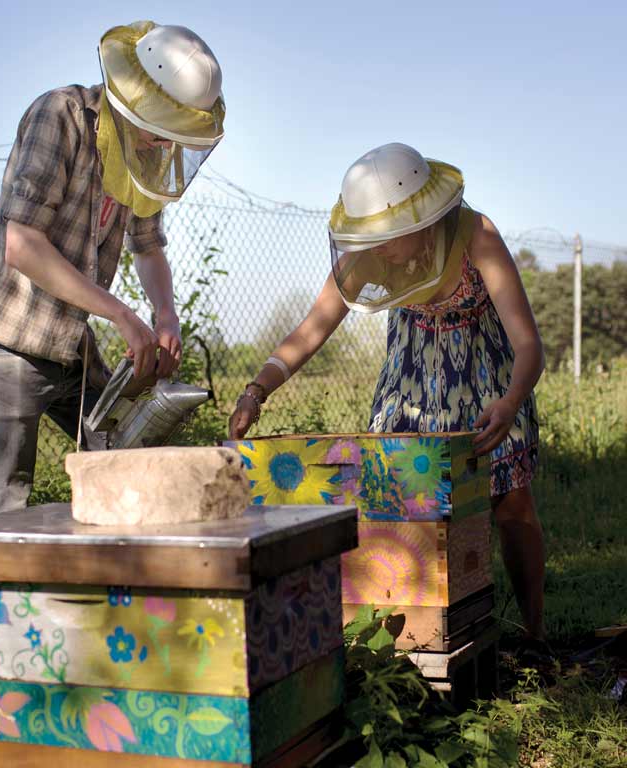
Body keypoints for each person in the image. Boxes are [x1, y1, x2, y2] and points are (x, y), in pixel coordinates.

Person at [229, 143, 546, 642]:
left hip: (488, 389)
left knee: (511, 506)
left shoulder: (476, 235)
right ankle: (410, 636)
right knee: (396, 507)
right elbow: (311, 330)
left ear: (421, 220)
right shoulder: (367, 257)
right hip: (410, 391)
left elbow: (529, 344)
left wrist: (508, 402)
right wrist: (257, 389)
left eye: (386, 237)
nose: (376, 248)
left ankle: (534, 632)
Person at [0, 21, 226, 515]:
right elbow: (22, 244)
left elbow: (148, 247)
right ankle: (4, 592)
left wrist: (165, 314)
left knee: (128, 458)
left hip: (69, 346)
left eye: (176, 134)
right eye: (160, 128)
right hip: (4, 339)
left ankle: (118, 587)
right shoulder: (59, 115)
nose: (165, 145)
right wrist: (122, 315)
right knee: (6, 504)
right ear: (133, 98)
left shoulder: (145, 156)